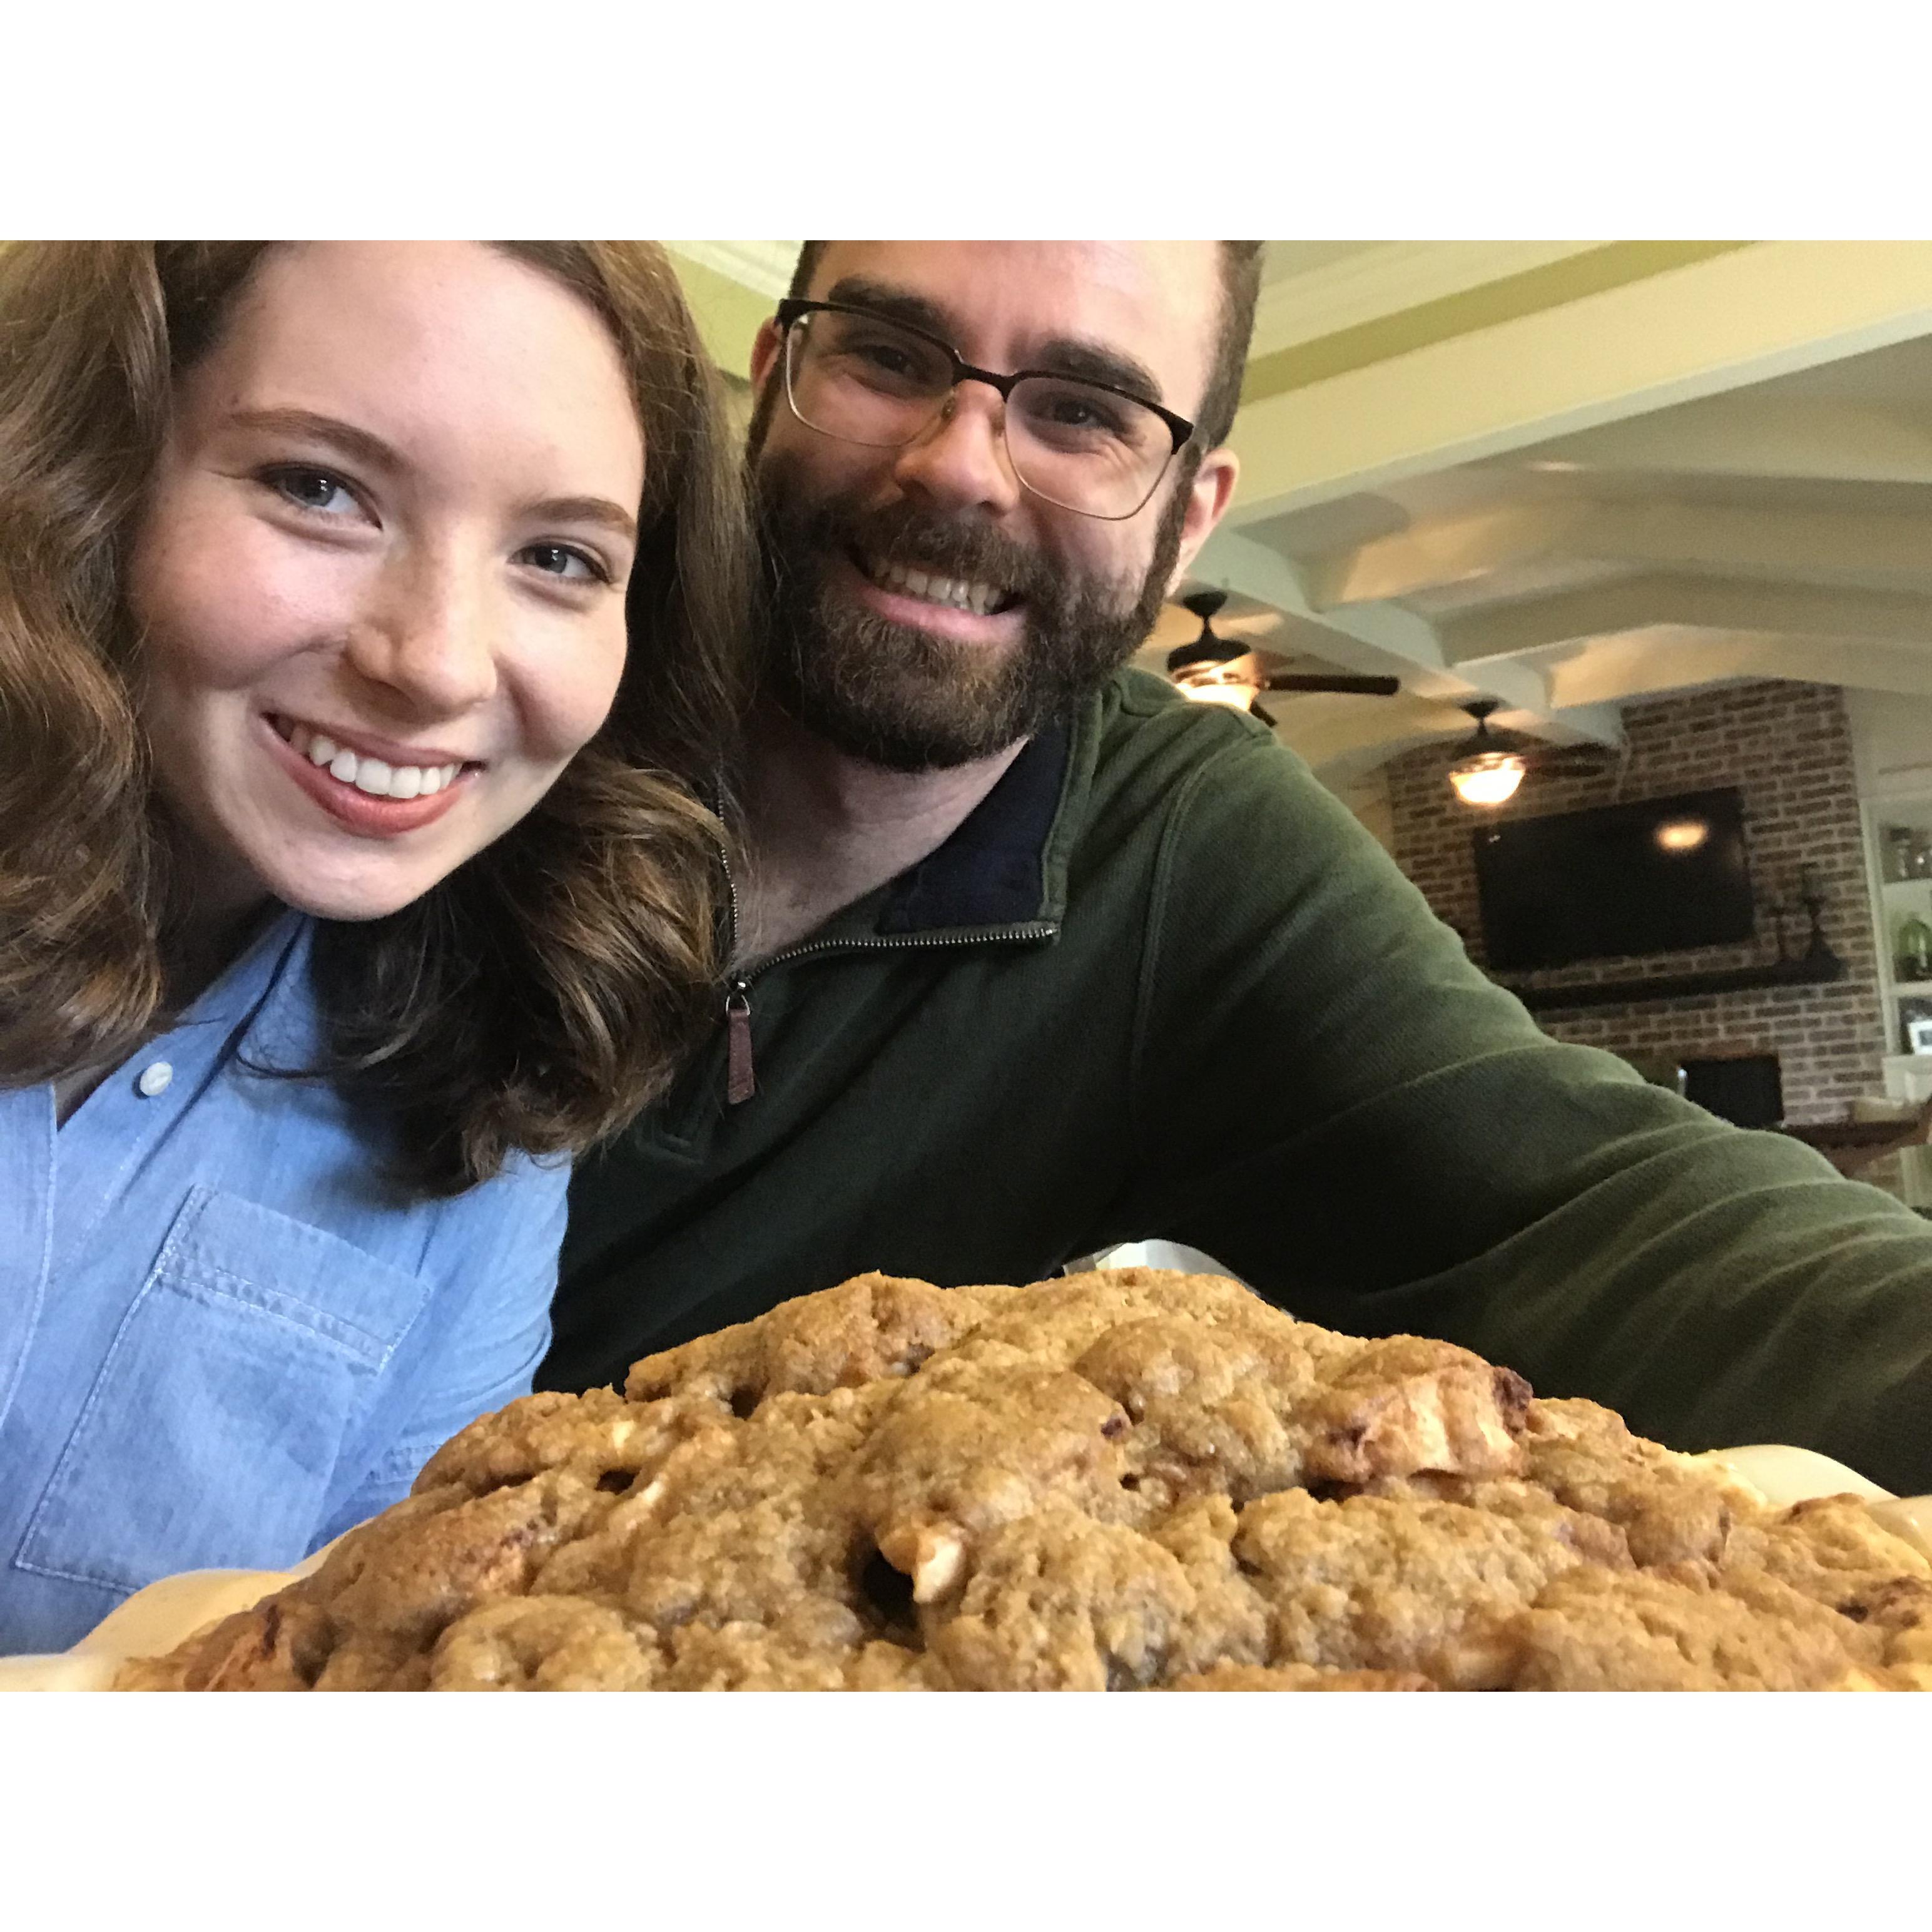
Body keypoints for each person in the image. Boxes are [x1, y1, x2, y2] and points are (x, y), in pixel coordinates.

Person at [547, 238, 1932, 1500]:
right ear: (778, 372)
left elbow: (1597, 1206)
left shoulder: (1181, 844)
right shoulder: (503, 662)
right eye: (890, 357)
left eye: (1083, 411)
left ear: (1191, 514)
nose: (961, 465)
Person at [0, 240, 748, 1654]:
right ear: (90, 467)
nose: (437, 661)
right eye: (318, 487)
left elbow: (361, 1655)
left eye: (558, 557)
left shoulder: (495, 1100)